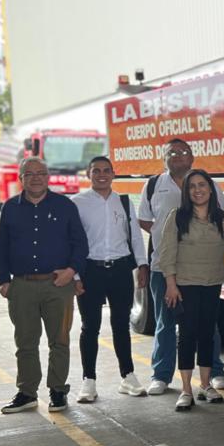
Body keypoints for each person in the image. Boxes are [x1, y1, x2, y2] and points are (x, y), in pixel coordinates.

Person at [0, 157, 88, 414]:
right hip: (22, 286)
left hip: (58, 285)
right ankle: (27, 393)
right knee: (25, 342)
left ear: (48, 177)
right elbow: (1, 246)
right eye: (29, 173)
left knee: (59, 340)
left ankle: (57, 390)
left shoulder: (65, 206)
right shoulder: (11, 208)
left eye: (41, 173)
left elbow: (80, 244)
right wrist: (3, 281)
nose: (36, 178)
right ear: (21, 178)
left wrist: (71, 272)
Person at [138, 137, 224, 395]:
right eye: (172, 152)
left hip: (200, 272)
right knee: (165, 323)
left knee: (206, 324)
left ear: (192, 157)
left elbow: (222, 218)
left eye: (184, 151)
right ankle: (161, 375)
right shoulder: (153, 184)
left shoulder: (207, 184)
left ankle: (215, 372)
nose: (178, 156)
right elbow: (145, 221)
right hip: (163, 267)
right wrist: (168, 238)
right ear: (164, 158)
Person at [72, 155, 149, 401]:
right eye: (96, 171)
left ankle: (127, 376)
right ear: (88, 174)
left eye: (106, 170)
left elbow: (135, 236)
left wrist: (143, 265)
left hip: (120, 271)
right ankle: (89, 381)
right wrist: (75, 275)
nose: (102, 175)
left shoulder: (124, 202)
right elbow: (72, 242)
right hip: (90, 271)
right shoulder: (77, 203)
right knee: (90, 326)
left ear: (113, 174)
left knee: (121, 326)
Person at [156, 169, 224, 412]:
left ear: (211, 189)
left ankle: (206, 385)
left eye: (202, 185)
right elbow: (166, 253)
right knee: (187, 335)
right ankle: (186, 389)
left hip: (212, 283)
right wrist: (170, 284)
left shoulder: (221, 218)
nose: (197, 190)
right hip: (185, 285)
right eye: (192, 187)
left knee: (207, 334)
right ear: (187, 192)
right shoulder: (177, 217)